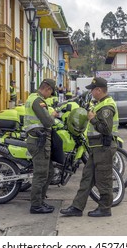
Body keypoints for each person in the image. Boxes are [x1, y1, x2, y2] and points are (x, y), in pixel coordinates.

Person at [60, 77, 118, 217]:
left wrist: (92, 119)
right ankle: (77, 207)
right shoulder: (99, 103)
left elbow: (106, 129)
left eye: (92, 90)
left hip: (104, 148)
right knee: (87, 178)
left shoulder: (107, 106)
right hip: (96, 148)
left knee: (103, 179)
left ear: (98, 90)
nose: (91, 92)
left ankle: (105, 209)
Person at [24, 79, 58, 214]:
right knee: (41, 174)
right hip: (38, 142)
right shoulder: (37, 101)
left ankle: (41, 201)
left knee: (49, 172)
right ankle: (36, 205)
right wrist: (53, 115)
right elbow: (48, 121)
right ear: (48, 89)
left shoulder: (34, 98)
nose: (50, 95)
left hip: (39, 140)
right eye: (51, 92)